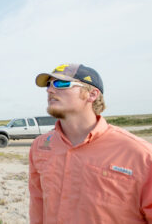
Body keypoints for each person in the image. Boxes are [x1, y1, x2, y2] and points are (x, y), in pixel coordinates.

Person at [29, 63, 152, 223]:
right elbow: (38, 204)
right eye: (48, 84)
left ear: (92, 94)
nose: (50, 90)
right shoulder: (40, 146)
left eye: (61, 83)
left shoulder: (140, 155)